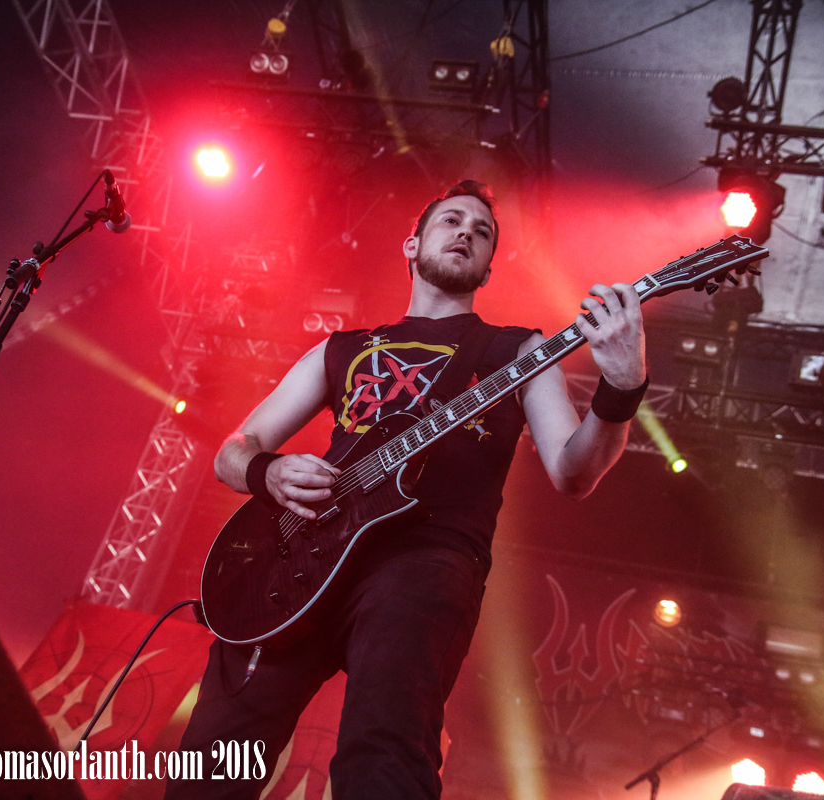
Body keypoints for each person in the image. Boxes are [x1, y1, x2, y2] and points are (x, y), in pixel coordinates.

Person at [166, 180, 647, 799]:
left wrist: (622, 387)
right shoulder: (343, 348)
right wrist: (268, 472)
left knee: (383, 755)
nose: (467, 231)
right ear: (412, 244)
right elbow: (233, 450)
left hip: (425, 559)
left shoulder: (516, 349)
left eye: (482, 231)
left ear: (488, 269)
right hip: (299, 556)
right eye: (452, 220)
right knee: (214, 760)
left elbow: (572, 472)